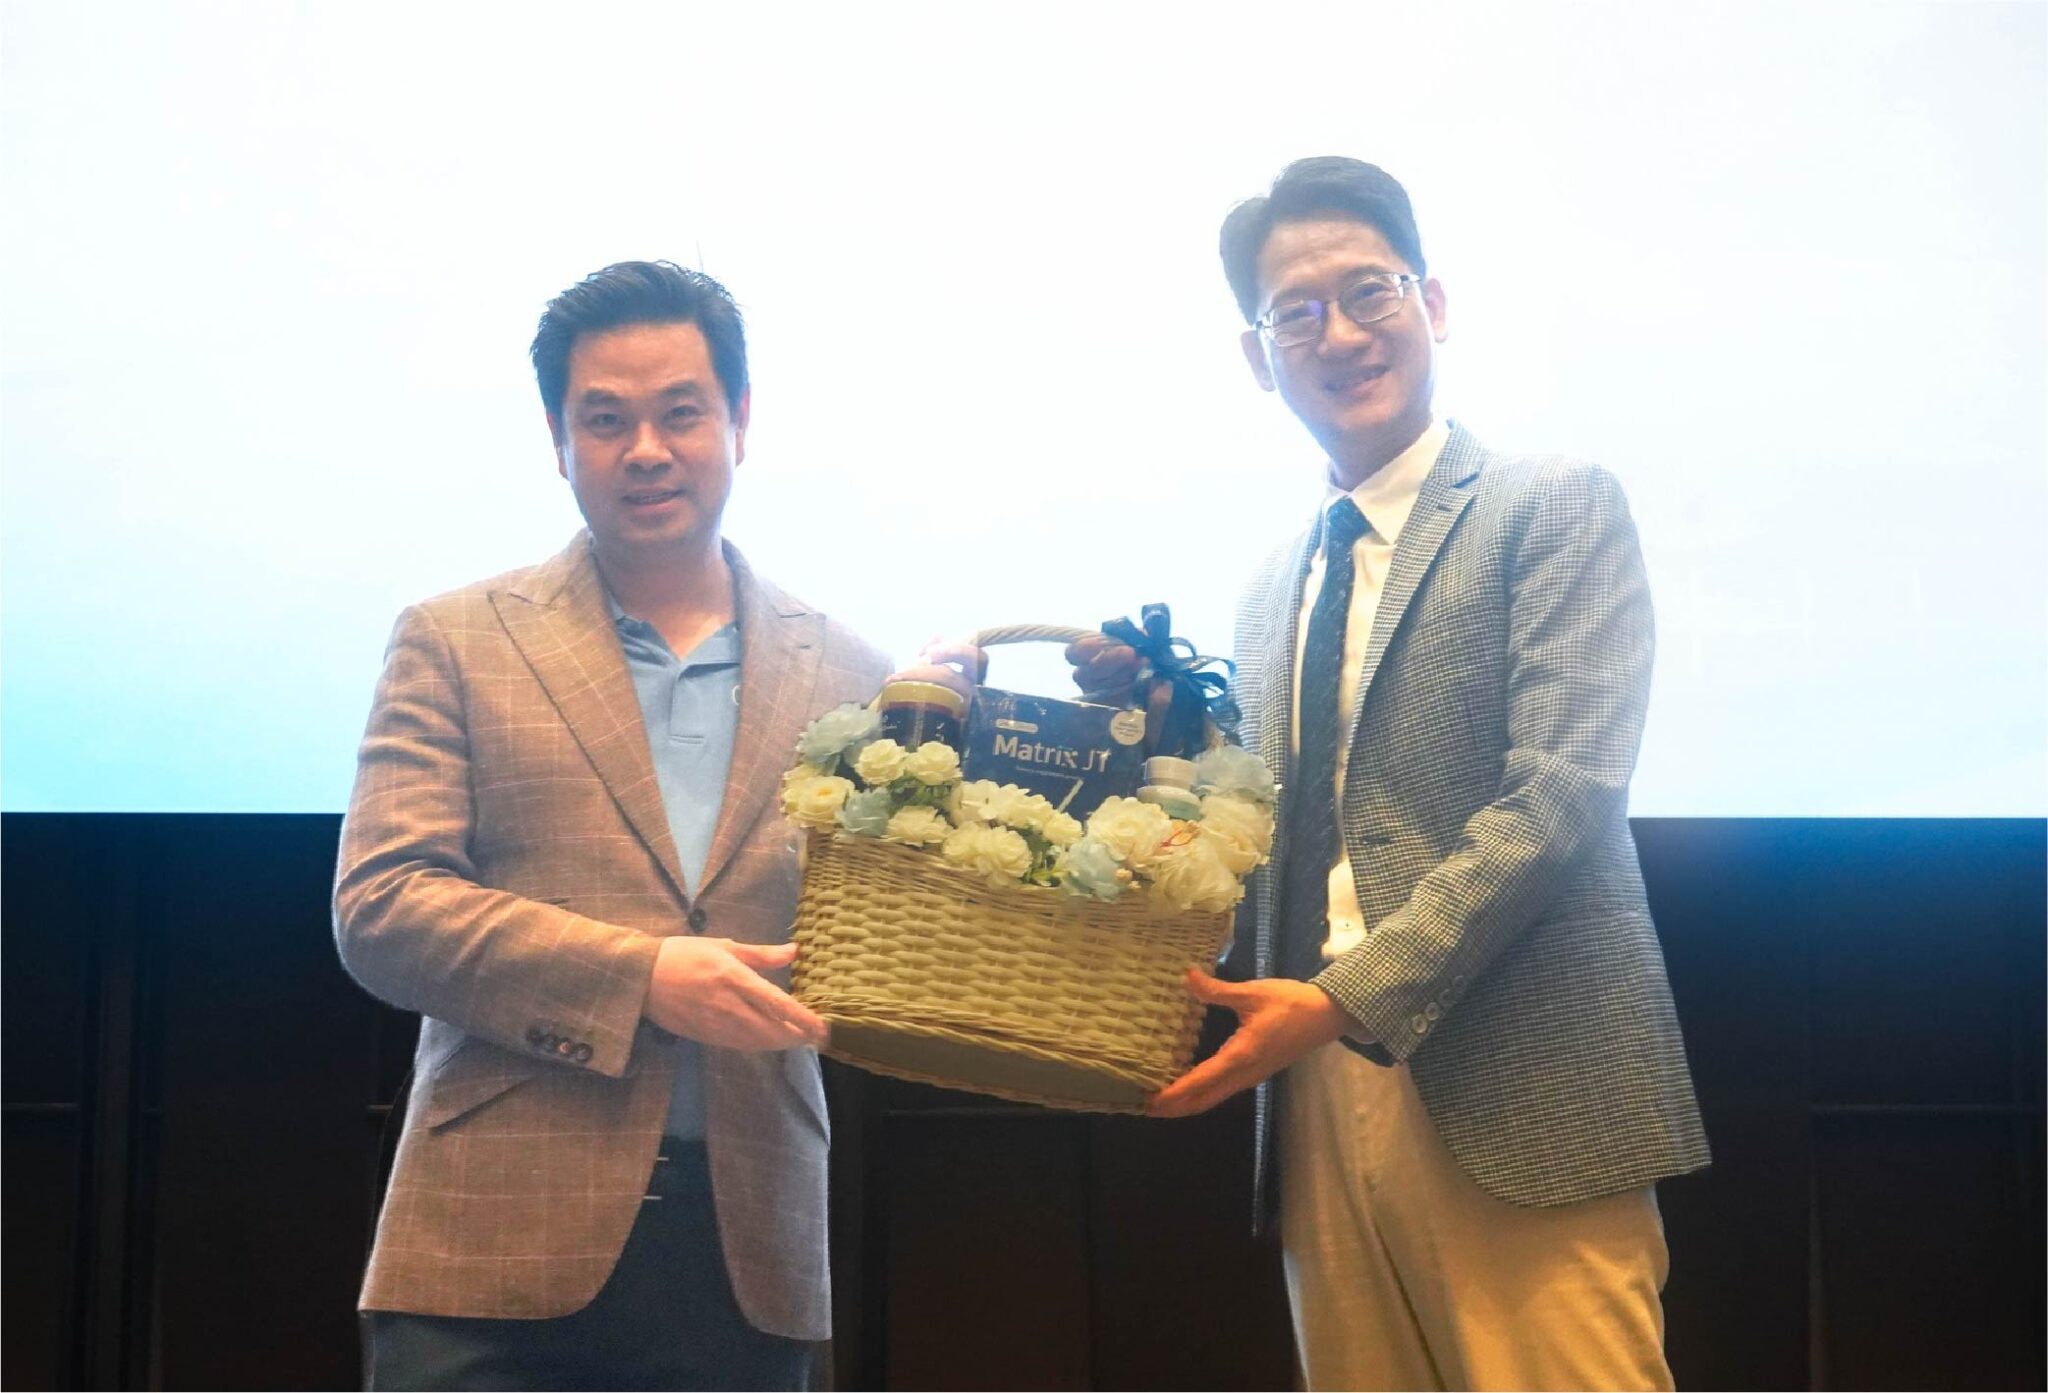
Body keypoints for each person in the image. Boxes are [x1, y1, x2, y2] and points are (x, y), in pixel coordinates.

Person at [1058, 158, 1711, 1390]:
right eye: (1295, 313)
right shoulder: (1269, 587)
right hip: (1309, 1090)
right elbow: (1270, 824)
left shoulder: (1551, 504)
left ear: (1433, 303)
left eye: (1370, 292)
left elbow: (1560, 794)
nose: (1341, 334)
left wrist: (1348, 996)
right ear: (1258, 358)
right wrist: (1160, 727)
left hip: (1518, 1079)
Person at [333, 260, 889, 1390]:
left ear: (738, 419)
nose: (646, 449)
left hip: (749, 1251)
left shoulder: (854, 676)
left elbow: (893, 950)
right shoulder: (457, 638)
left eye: (680, 411)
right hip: (490, 1245)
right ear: (558, 439)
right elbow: (383, 909)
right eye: (605, 420)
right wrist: (640, 977)